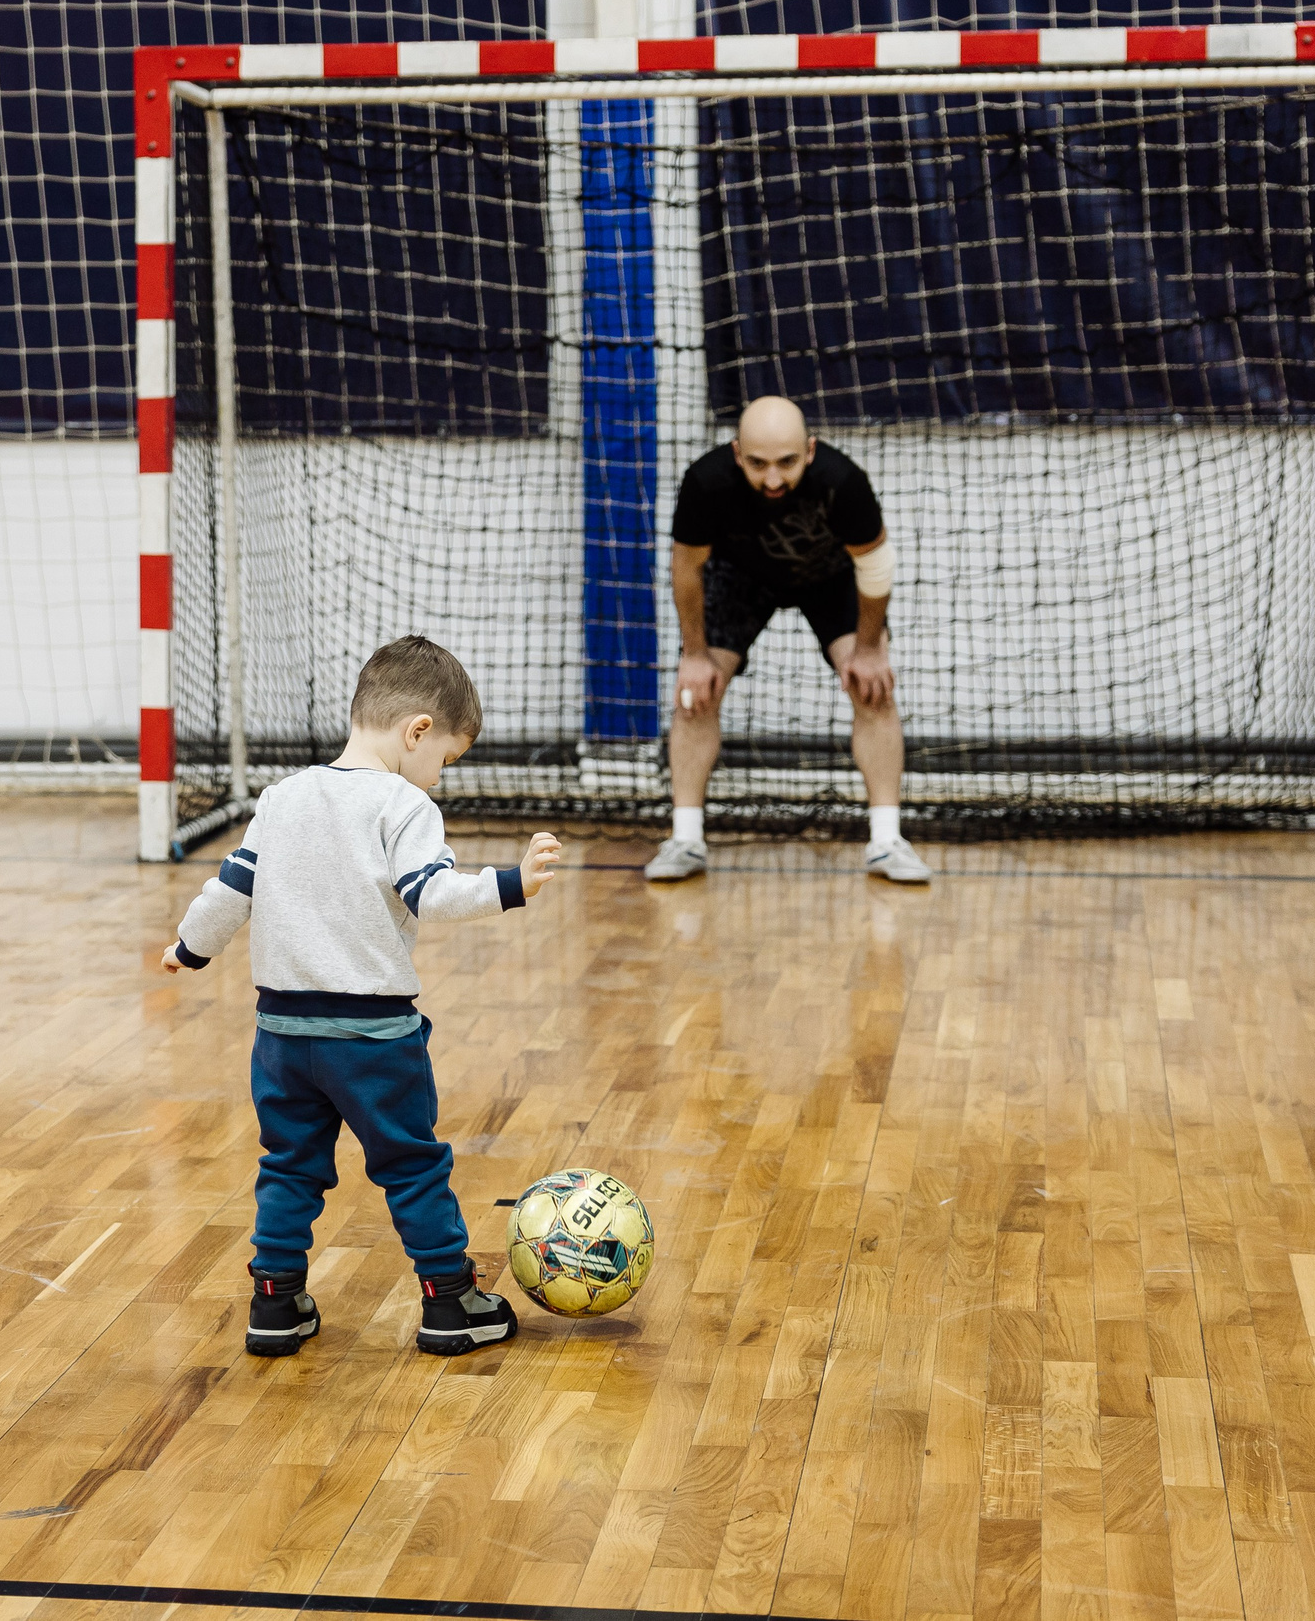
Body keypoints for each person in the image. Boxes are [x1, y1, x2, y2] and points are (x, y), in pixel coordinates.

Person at [159, 637, 562, 1358]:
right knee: (411, 1165)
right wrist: (513, 884)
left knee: (289, 1165)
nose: (439, 776)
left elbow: (231, 889)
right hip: (373, 1038)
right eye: (445, 759)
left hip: (282, 1034)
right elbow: (432, 894)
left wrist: (189, 946)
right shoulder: (403, 804)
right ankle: (449, 1301)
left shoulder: (282, 797)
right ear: (417, 731)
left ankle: (274, 1303)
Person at [645, 396, 931, 885]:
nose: (773, 479)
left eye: (787, 462)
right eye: (758, 464)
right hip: (738, 579)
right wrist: (694, 654)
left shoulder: (843, 482)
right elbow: (686, 569)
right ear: (737, 453)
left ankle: (887, 843)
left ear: (810, 451)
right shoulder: (706, 482)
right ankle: (685, 839)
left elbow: (875, 566)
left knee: (873, 689)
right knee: (696, 694)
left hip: (829, 578)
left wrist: (867, 649)